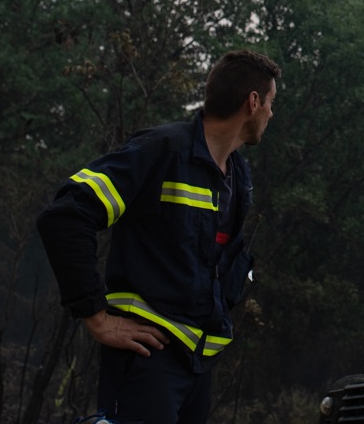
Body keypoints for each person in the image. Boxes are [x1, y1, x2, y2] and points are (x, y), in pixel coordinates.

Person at [37, 50, 282, 424]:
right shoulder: (161, 151)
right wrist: (97, 317)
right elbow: (66, 217)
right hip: (147, 359)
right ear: (253, 102)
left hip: (198, 365)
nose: (270, 114)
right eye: (270, 103)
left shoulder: (238, 176)